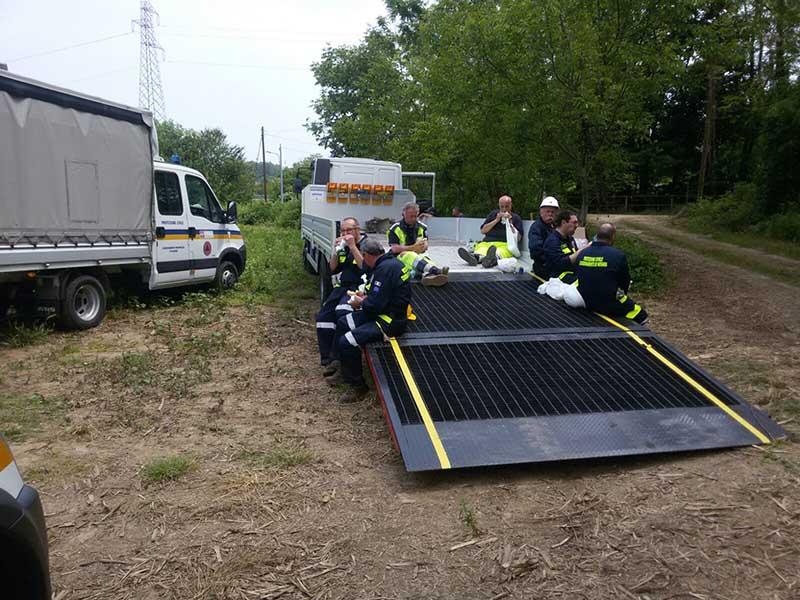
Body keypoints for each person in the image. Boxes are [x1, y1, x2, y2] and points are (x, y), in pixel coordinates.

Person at [330, 238, 412, 403]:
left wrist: (360, 302)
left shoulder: (384, 270)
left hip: (389, 321)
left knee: (347, 341)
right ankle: (342, 368)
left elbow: (375, 305)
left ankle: (358, 387)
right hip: (383, 312)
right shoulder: (389, 263)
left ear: (367, 255)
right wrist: (366, 297)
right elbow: (383, 295)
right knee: (343, 322)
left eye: (363, 256)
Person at [316, 217, 367, 374]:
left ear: (357, 230)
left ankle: (340, 358)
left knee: (342, 312)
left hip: (358, 287)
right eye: (343, 231)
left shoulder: (366, 244)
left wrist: (352, 247)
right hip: (342, 287)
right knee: (323, 317)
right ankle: (328, 359)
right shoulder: (344, 246)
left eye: (348, 230)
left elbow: (365, 266)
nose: (345, 234)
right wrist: (337, 251)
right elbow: (332, 268)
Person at [575, 223, 648, 324]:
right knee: (642, 316)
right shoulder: (618, 255)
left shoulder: (582, 253)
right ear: (612, 236)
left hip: (584, 301)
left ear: (597, 236)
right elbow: (624, 282)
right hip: (607, 304)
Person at [387, 202, 449, 286]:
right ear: (404, 214)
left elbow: (426, 244)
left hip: (417, 257)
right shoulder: (395, 228)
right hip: (399, 257)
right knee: (410, 255)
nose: (413, 219)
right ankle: (436, 272)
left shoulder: (422, 227)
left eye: (415, 216)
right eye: (411, 216)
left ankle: (428, 276)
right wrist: (413, 247)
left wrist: (423, 246)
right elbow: (395, 249)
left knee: (425, 259)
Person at [458, 195, 523, 268]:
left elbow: (518, 238)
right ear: (499, 206)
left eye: (507, 207)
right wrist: (496, 220)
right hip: (487, 243)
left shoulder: (516, 218)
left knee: (500, 252)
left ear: (511, 206)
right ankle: (476, 258)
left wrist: (510, 223)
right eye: (502, 207)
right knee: (482, 250)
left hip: (505, 244)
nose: (504, 209)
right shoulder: (493, 214)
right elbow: (483, 231)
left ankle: (491, 259)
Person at [542, 210, 589, 283]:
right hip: (558, 279)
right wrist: (584, 249)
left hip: (572, 274)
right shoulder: (552, 241)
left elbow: (576, 258)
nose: (577, 225)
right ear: (563, 222)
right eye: (574, 222)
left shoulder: (569, 239)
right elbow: (562, 264)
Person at [528, 196, 560, 279]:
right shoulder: (536, 228)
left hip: (557, 265)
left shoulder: (556, 226)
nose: (550, 214)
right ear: (541, 212)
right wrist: (551, 260)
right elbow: (535, 250)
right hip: (543, 268)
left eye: (553, 212)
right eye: (547, 211)